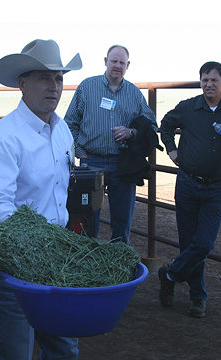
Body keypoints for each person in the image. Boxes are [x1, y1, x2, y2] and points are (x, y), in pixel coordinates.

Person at [0, 39, 82, 360]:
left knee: (64, 350)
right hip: (14, 264)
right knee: (15, 353)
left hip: (56, 260)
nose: (54, 87)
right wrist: (31, 257)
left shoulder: (62, 130)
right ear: (22, 84)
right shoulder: (2, 138)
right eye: (43, 78)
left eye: (59, 78)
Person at [158, 61, 221, 318]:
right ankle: (198, 297)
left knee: (204, 243)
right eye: (204, 80)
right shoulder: (188, 107)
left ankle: (169, 275)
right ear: (200, 82)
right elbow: (165, 124)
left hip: (215, 187)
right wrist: (172, 150)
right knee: (188, 242)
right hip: (187, 183)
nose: (209, 84)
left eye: (214, 80)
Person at [65, 45, 157, 245]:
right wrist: (82, 153)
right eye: (114, 61)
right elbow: (70, 123)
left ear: (128, 65)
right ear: (105, 61)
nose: (117, 66)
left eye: (122, 62)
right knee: (86, 217)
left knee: (122, 219)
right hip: (91, 162)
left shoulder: (134, 93)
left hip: (122, 162)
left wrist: (131, 132)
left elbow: (151, 125)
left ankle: (119, 262)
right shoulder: (86, 87)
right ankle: (87, 262)